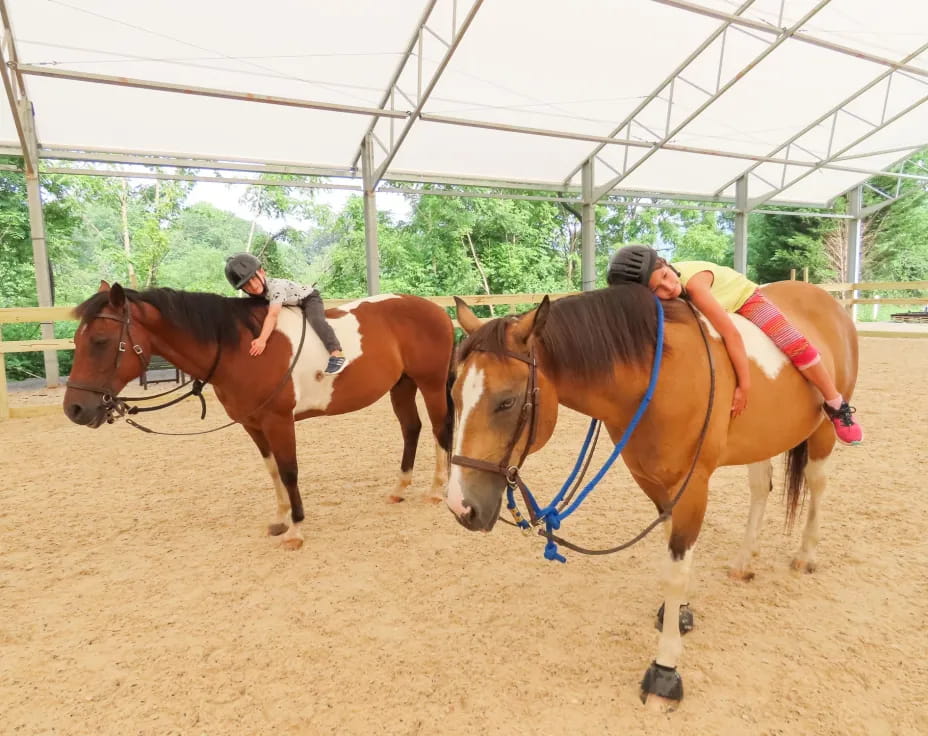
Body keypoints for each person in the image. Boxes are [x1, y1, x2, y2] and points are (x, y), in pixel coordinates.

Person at [606, 245, 863, 445]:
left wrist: (744, 385)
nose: (668, 287)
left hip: (743, 299)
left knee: (793, 343)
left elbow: (731, 335)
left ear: (665, 264)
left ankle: (835, 403)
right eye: (657, 290)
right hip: (708, 305)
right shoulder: (665, 290)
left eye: (664, 276)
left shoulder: (695, 285)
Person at [224, 253, 346, 375]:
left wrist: (262, 340)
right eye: (246, 285)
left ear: (261, 272)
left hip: (308, 298)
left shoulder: (276, 288)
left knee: (316, 320)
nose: (253, 286)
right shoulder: (253, 294)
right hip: (289, 302)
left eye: (254, 279)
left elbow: (272, 315)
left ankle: (336, 353)